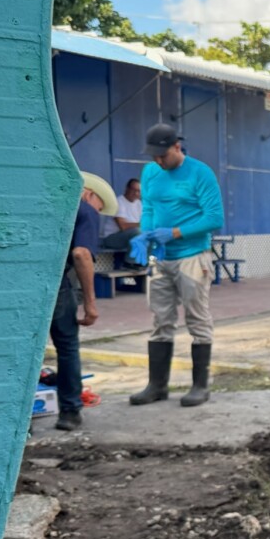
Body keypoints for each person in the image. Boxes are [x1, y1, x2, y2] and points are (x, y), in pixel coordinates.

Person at [130, 123, 224, 408]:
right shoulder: (150, 173)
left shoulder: (200, 173)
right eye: (154, 157)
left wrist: (174, 233)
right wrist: (144, 235)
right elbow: (149, 208)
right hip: (161, 257)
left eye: (163, 155)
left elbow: (214, 218)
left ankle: (200, 386)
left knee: (197, 318)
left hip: (192, 256)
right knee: (160, 319)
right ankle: (157, 386)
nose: (159, 161)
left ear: (177, 147)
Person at [52, 172, 116, 431]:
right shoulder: (85, 209)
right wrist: (90, 302)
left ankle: (20, 420)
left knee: (22, 353)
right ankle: (69, 411)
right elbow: (81, 254)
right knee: (66, 347)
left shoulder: (45, 202)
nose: (97, 214)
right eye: (99, 208)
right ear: (90, 194)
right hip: (54, 287)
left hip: (17, 284)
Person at [99, 178, 142, 252]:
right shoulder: (119, 202)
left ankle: (147, 261)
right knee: (137, 232)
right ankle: (131, 263)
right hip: (111, 238)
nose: (136, 193)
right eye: (133, 190)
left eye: (138, 191)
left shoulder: (139, 203)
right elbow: (123, 226)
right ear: (127, 189)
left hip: (128, 237)